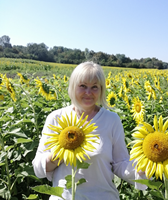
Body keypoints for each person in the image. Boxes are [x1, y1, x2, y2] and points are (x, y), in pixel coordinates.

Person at [32, 61, 147, 200]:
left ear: (101, 90)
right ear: (73, 87)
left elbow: (120, 163)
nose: (88, 92)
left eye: (94, 87)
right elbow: (38, 168)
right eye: (83, 86)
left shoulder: (111, 120)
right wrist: (64, 148)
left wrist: (141, 170)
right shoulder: (56, 118)